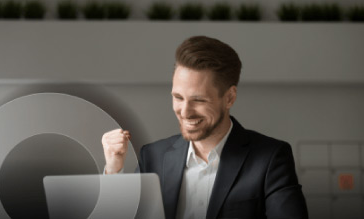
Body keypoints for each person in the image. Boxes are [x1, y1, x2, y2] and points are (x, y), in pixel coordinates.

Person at [102, 36, 308, 219]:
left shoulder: (271, 159)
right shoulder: (153, 157)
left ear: (229, 98)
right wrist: (113, 170)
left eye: (198, 100)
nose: (185, 111)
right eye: (178, 97)